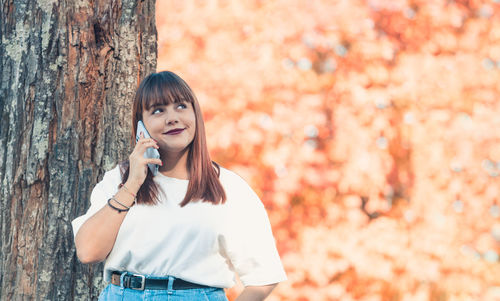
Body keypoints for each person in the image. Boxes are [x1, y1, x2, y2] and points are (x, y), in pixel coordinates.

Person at [71, 71, 287, 300]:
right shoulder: (118, 179)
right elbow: (88, 251)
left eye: (181, 106)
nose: (172, 118)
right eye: (158, 110)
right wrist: (132, 184)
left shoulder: (229, 188)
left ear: (196, 114)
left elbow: (264, 277)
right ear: (141, 125)